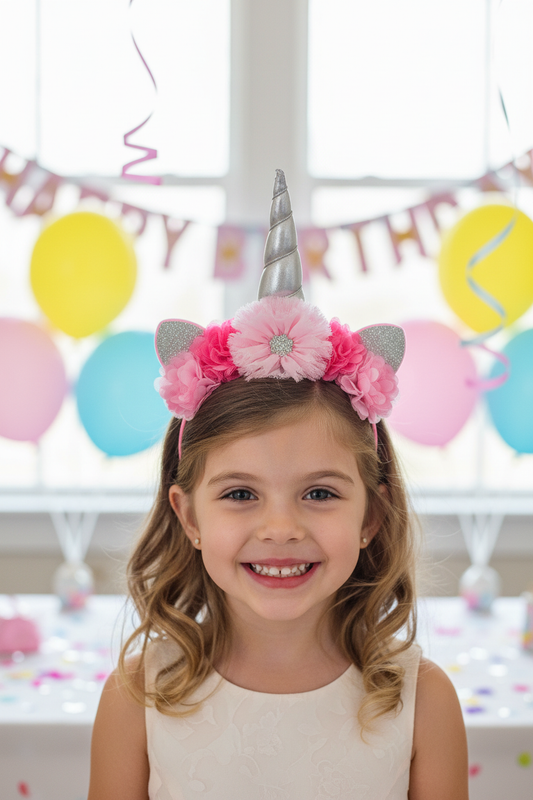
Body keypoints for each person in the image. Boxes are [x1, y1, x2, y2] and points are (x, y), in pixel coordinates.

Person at [88, 171, 468, 800]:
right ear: (188, 517)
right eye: (240, 494)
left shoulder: (423, 702)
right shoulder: (138, 699)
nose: (281, 529)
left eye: (320, 493)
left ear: (371, 515)